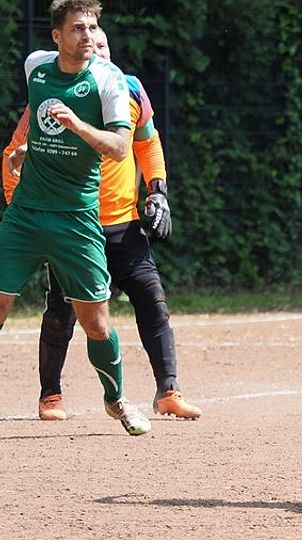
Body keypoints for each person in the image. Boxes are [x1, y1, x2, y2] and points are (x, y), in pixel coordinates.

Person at [3, 28, 201, 421]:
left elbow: (147, 143)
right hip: (72, 223)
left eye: (102, 44)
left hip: (122, 223)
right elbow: (14, 150)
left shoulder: (130, 89)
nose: (95, 49)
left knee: (153, 300)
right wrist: (24, 210)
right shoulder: (55, 92)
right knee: (61, 313)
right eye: (88, 44)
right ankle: (51, 396)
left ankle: (168, 390)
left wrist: (158, 191)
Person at [0, 0, 150, 435]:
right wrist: (25, 150)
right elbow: (39, 120)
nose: (88, 36)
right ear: (57, 36)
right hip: (26, 214)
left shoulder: (108, 80)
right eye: (78, 28)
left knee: (95, 323)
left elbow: (119, 148)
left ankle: (116, 399)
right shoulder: (36, 67)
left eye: (93, 27)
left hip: (76, 220)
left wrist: (78, 126)